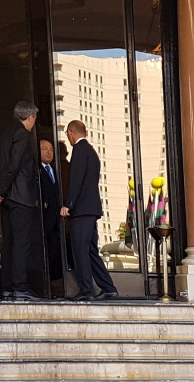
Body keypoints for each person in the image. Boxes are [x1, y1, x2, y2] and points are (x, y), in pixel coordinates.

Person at [0, 101, 43, 301]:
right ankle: (20, 286)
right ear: (30, 118)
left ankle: (8, 286)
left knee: (9, 243)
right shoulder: (21, 134)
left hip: (9, 198)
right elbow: (15, 164)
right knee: (21, 243)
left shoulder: (4, 133)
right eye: (34, 118)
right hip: (20, 197)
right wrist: (0, 192)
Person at [61, 120, 118, 301]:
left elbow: (76, 180)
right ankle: (108, 287)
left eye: (67, 135)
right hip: (91, 210)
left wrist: (68, 204)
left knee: (80, 250)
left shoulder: (79, 151)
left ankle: (86, 290)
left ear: (71, 132)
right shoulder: (91, 151)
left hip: (81, 211)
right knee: (91, 250)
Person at [38, 137, 65, 295]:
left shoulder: (55, 169)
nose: (49, 152)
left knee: (56, 253)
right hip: (44, 221)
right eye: (44, 149)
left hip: (56, 221)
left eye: (51, 149)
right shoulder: (36, 171)